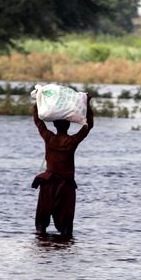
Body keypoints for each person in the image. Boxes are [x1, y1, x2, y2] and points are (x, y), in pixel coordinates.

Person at [32, 95, 94, 237]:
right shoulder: (72, 141)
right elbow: (89, 126)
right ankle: (65, 251)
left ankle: (43, 246)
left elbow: (38, 121)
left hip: (49, 184)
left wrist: (38, 100)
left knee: (41, 223)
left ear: (54, 126)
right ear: (68, 126)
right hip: (66, 186)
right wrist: (87, 104)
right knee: (66, 225)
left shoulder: (50, 138)